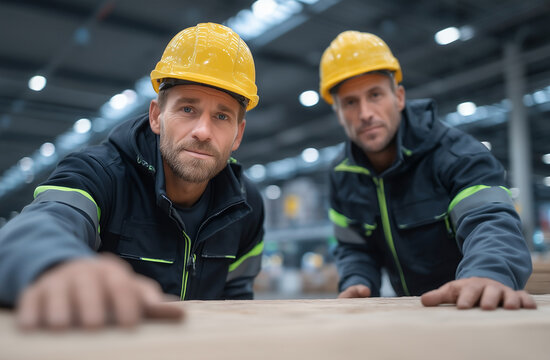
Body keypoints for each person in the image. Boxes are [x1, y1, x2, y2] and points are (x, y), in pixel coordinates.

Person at [0, 22, 265, 329]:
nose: (203, 132)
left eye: (222, 116)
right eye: (188, 109)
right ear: (156, 116)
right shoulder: (98, 175)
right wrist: (55, 264)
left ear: (237, 135)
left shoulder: (246, 206)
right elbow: (33, 230)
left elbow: (238, 302)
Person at [319, 30, 536, 309]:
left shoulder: (458, 155)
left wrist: (487, 274)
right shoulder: (342, 175)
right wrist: (357, 281)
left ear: (398, 97)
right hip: (410, 316)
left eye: (375, 95)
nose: (365, 113)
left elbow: (490, 221)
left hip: (471, 307)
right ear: (338, 112)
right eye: (350, 102)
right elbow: (353, 247)